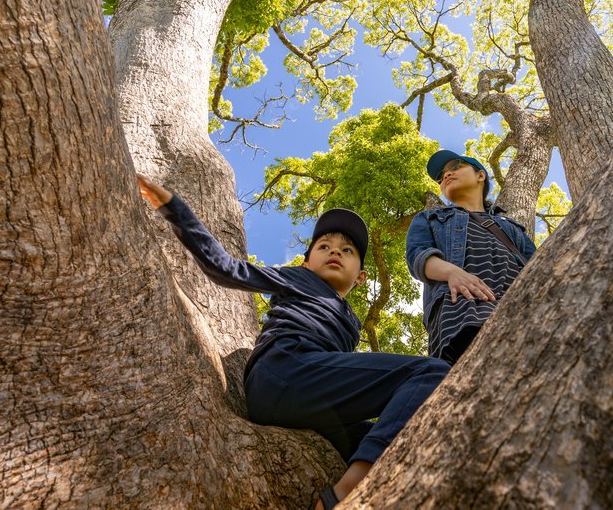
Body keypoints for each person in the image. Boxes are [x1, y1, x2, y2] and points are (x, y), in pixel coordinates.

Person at [136, 174, 450, 510]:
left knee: (392, 428)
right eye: (324, 246)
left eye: (347, 250)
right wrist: (174, 208)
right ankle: (346, 493)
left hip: (311, 398)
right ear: (305, 262)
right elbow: (226, 268)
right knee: (430, 373)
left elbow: (346, 377)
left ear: (360, 277)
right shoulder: (298, 278)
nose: (335, 252)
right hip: (284, 368)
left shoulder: (352, 321)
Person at [405, 150, 537, 364]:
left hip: (524, 308)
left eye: (455, 166)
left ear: (480, 175)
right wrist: (452, 272)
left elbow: (538, 265)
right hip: (461, 310)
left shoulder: (511, 227)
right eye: (441, 177)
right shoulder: (430, 218)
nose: (446, 175)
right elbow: (417, 256)